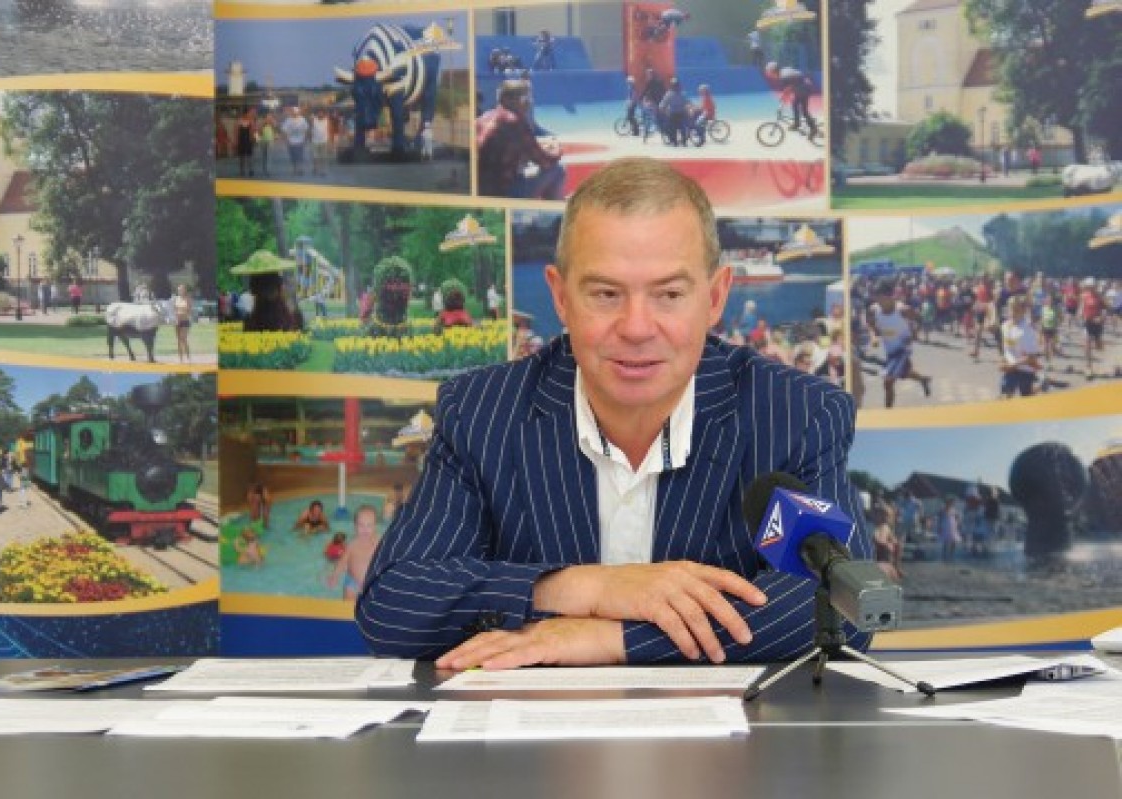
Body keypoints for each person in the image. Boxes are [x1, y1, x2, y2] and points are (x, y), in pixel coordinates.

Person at [356, 157, 874, 668]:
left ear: (716, 297)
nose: (636, 327)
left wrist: (610, 638)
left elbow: (848, 600)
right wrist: (588, 587)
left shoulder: (796, 415)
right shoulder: (482, 412)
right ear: (561, 297)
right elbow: (395, 602)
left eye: (669, 294)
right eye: (606, 294)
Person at [475, 79, 565, 199]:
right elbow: (545, 161)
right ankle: (554, 208)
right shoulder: (515, 122)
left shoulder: (483, 118)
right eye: (525, 98)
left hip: (481, 190)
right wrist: (557, 149)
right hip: (503, 193)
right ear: (508, 100)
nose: (529, 103)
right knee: (557, 170)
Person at [866, 278, 931, 408]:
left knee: (888, 381)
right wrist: (873, 336)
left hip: (903, 349)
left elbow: (919, 319)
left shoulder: (902, 310)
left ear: (890, 296)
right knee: (904, 373)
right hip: (890, 350)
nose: (878, 301)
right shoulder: (874, 309)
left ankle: (888, 413)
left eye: (881, 298)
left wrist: (914, 334)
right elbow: (869, 324)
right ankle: (923, 379)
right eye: (876, 298)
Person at [329, 504, 382, 601]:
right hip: (353, 583)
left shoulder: (380, 543)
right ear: (355, 526)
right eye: (361, 525)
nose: (365, 529)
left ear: (375, 526)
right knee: (348, 606)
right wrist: (335, 576)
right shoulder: (352, 545)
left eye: (369, 525)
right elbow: (342, 562)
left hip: (373, 584)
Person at [999, 295, 1041, 398]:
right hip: (1011, 370)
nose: (1012, 313)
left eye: (1016, 309)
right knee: (1006, 395)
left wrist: (1012, 365)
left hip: (1026, 369)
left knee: (1026, 397)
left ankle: (1039, 387)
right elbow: (1007, 349)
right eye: (1010, 309)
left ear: (1023, 311)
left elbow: (1031, 357)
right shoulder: (1005, 326)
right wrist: (1003, 360)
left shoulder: (1028, 329)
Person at [765, 62, 817, 138]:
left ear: (774, 71)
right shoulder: (783, 71)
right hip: (801, 87)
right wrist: (783, 98)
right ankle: (797, 123)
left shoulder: (784, 76)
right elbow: (792, 84)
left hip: (804, 89)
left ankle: (813, 129)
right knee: (794, 104)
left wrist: (782, 100)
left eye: (770, 73)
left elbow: (787, 90)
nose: (770, 75)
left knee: (804, 111)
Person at [281, 106, 310, 177]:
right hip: (291, 141)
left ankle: (299, 169)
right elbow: (284, 130)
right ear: (292, 112)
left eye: (296, 112)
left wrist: (305, 139)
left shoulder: (302, 119)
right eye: (294, 112)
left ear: (298, 112)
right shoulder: (288, 120)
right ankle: (294, 169)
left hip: (300, 141)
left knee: (300, 156)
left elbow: (306, 129)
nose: (295, 113)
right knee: (293, 156)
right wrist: (286, 140)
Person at [173, 284, 193, 364]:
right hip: (177, 321)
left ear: (185, 290)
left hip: (185, 320)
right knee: (178, 341)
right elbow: (174, 309)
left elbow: (189, 311)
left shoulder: (188, 299)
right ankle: (180, 359)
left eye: (181, 289)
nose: (180, 291)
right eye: (179, 290)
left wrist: (181, 313)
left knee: (183, 339)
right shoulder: (176, 299)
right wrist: (176, 315)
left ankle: (188, 357)